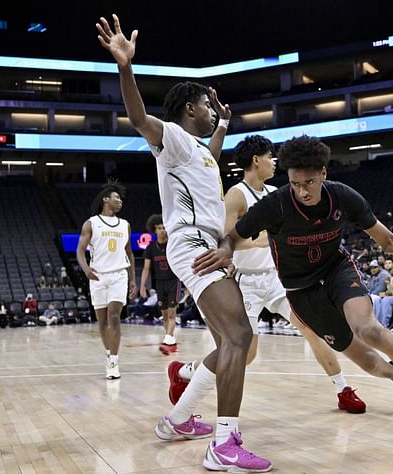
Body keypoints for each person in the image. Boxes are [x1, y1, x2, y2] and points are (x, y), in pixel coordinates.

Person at [194, 135, 393, 444]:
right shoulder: (275, 204)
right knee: (370, 363)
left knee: (369, 330)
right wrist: (225, 250)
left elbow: (388, 241)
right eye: (295, 184)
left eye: (308, 182)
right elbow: (233, 236)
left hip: (337, 271)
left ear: (323, 173)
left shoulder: (343, 197)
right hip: (302, 292)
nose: (302, 191)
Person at [97, 14, 271, 471]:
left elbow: (209, 160)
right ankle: (223, 445)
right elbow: (137, 118)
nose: (212, 109)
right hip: (195, 244)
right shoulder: (171, 138)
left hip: (206, 246)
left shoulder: (197, 150)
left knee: (226, 344)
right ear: (189, 109)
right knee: (239, 336)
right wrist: (125, 67)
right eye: (206, 106)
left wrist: (224, 126)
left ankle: (175, 420)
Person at [174, 134, 367, 413]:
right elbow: (225, 240)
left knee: (313, 328)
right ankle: (186, 372)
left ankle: (343, 389)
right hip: (246, 281)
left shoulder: (275, 194)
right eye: (269, 158)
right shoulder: (237, 194)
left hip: (277, 279)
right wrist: (264, 240)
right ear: (256, 160)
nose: (274, 163)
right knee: (245, 355)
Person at [76, 180, 136, 380]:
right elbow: (79, 252)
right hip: (98, 276)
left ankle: (114, 361)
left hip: (119, 274)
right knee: (101, 321)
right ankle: (109, 353)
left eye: (120, 199)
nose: (119, 201)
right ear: (105, 199)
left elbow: (130, 254)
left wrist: (133, 280)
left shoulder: (125, 225)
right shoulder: (91, 223)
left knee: (113, 315)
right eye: (116, 198)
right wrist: (86, 270)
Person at [140, 214, 181, 355]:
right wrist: (142, 286)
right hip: (159, 284)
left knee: (171, 315)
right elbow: (146, 268)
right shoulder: (151, 248)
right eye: (159, 228)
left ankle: (167, 340)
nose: (162, 230)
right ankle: (171, 342)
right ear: (154, 230)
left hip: (173, 282)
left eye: (164, 227)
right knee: (164, 316)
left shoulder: (173, 245)